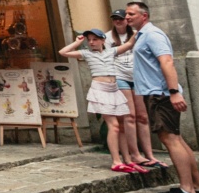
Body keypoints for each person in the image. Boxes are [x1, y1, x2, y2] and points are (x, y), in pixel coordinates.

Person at [125, 1, 199, 193]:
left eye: (131, 14)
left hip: (160, 94)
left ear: (144, 16)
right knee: (176, 138)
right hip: (158, 92)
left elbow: (167, 61)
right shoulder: (142, 35)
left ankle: (187, 189)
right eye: (126, 14)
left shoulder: (153, 35)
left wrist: (173, 92)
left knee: (170, 139)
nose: (127, 17)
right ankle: (197, 185)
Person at [59, 28, 141, 174]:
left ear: (103, 40)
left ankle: (127, 160)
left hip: (114, 89)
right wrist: (77, 42)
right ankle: (116, 161)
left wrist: (138, 30)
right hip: (100, 90)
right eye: (89, 40)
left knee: (121, 126)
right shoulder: (86, 53)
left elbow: (129, 44)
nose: (91, 42)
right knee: (114, 126)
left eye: (95, 39)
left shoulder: (111, 51)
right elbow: (63, 52)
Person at [107, 9, 165, 170]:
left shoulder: (140, 34)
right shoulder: (107, 37)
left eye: (121, 18)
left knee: (143, 116)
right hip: (120, 76)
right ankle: (135, 154)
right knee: (129, 116)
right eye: (115, 19)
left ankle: (149, 154)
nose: (118, 21)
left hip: (138, 77)